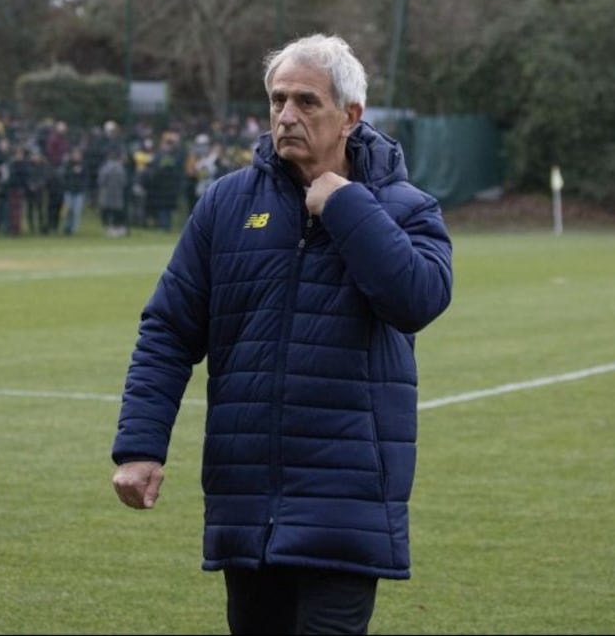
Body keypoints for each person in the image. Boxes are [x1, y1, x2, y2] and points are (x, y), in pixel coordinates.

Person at [109, 33, 454, 635]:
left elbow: (418, 299)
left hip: (344, 507)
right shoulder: (225, 205)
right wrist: (140, 447)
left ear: (351, 116)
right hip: (246, 504)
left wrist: (346, 207)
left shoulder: (404, 207)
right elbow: (167, 330)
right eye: (277, 100)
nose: (286, 116)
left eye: (306, 102)